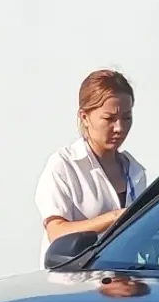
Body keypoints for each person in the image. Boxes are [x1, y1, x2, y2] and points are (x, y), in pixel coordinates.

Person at [35, 69, 147, 264]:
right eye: (109, 119)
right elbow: (57, 233)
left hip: (124, 283)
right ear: (85, 117)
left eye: (127, 118)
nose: (120, 128)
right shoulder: (64, 165)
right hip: (74, 286)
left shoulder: (135, 170)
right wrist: (115, 218)